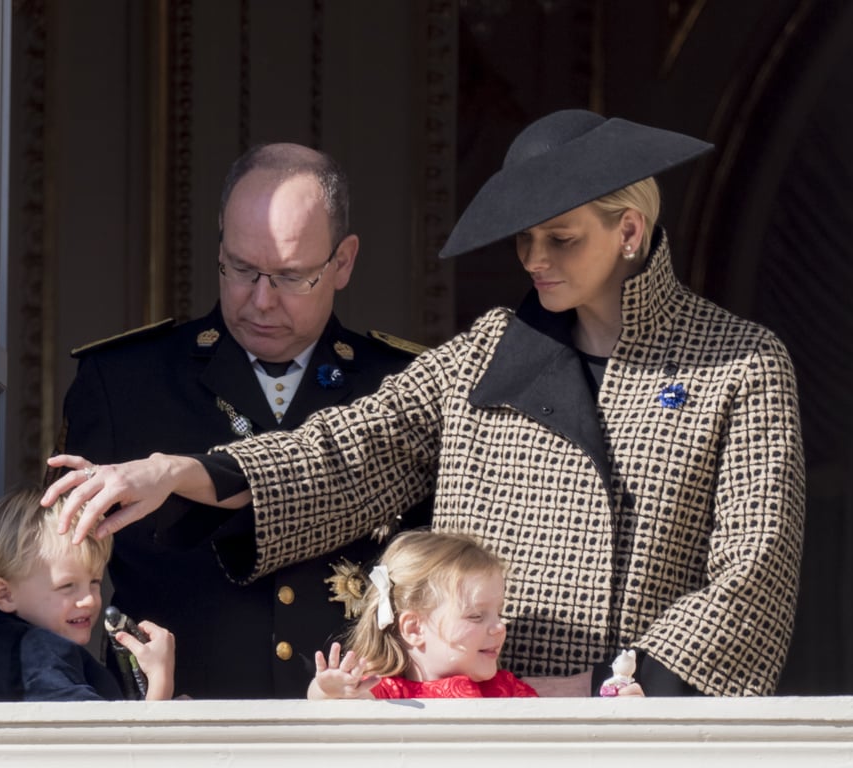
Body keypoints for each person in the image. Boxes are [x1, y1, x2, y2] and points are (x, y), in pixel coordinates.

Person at [43, 110, 806, 697]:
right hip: (476, 727)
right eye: (523, 240)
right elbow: (349, 453)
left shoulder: (737, 363)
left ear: (630, 230)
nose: (535, 260)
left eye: (562, 239)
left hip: (642, 723)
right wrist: (178, 472)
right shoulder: (487, 351)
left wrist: (622, 688)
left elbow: (754, 569)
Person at [54, 142, 429, 698]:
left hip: (356, 735)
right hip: (174, 731)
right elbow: (48, 556)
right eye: (241, 269)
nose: (260, 300)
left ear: (343, 262)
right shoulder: (124, 381)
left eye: (290, 276)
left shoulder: (400, 385)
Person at [0, 487, 175, 702]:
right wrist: (159, 684)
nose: (89, 599)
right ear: (5, 595)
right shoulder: (34, 652)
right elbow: (94, 735)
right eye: (67, 585)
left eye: (94, 582)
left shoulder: (5, 644)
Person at [308, 531, 543, 699]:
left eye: (499, 612)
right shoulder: (388, 694)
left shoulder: (505, 691)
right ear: (414, 629)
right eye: (476, 616)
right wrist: (330, 690)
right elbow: (343, 702)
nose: (500, 626)